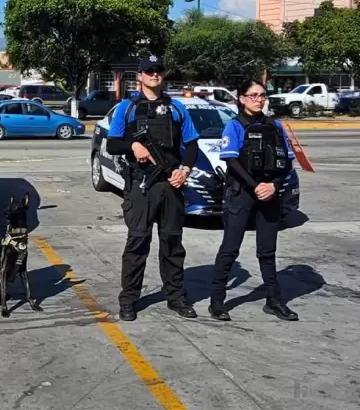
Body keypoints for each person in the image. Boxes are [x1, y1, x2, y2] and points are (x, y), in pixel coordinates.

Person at [106, 55, 200, 321]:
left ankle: (176, 296)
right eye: (149, 71)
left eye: (158, 70)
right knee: (138, 242)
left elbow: (192, 145)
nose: (154, 74)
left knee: (172, 243)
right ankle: (128, 299)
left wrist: (184, 171)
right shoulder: (127, 108)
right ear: (140, 76)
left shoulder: (177, 108)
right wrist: (133, 146)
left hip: (171, 184)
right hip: (141, 185)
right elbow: (113, 143)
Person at [209, 80, 299, 322]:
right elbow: (231, 161)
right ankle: (216, 301)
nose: (258, 100)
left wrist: (273, 186)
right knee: (230, 249)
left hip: (270, 193)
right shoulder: (235, 125)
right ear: (242, 99)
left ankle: (274, 301)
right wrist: (255, 186)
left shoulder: (276, 126)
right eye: (253, 95)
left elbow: (287, 161)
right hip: (242, 193)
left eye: (262, 95)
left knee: (267, 251)